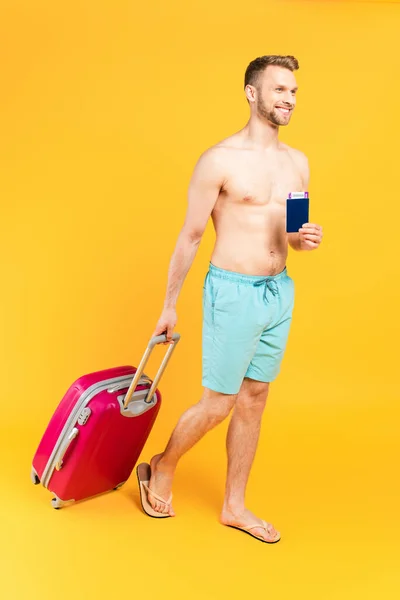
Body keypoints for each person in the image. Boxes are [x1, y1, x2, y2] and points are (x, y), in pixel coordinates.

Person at [137, 55, 323, 543]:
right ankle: (163, 465)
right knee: (218, 404)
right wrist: (169, 304)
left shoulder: (297, 162)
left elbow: (293, 234)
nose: (289, 99)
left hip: (278, 291)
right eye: (280, 89)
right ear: (251, 93)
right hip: (232, 293)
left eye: (294, 91)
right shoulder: (218, 160)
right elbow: (191, 236)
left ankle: (234, 506)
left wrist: (306, 239)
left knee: (255, 398)